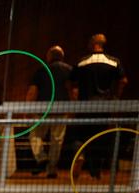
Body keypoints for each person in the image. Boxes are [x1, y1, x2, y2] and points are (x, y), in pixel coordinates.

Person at [71, 34, 129, 178]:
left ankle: (80, 155)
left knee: (79, 135)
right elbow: (124, 81)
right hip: (104, 106)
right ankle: (95, 170)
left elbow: (70, 82)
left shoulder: (82, 62)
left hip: (84, 106)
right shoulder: (114, 62)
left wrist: (74, 99)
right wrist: (116, 97)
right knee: (99, 138)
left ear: (92, 44)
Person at [25, 46, 72, 178]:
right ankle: (51, 169)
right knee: (57, 140)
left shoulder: (41, 70)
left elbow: (33, 91)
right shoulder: (69, 70)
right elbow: (72, 90)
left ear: (48, 56)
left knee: (35, 135)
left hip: (43, 109)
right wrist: (74, 107)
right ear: (62, 56)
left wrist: (28, 109)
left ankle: (41, 158)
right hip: (62, 108)